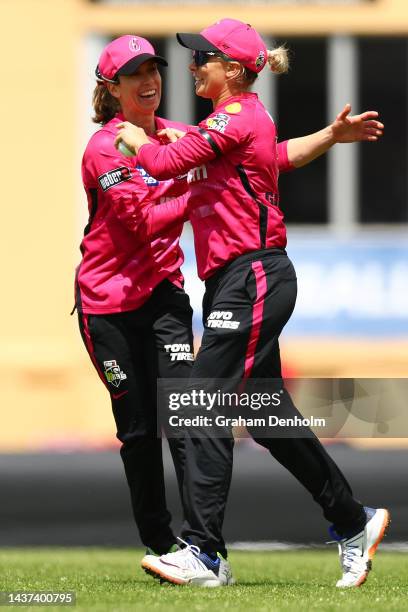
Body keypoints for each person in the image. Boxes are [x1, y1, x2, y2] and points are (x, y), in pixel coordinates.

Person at [115, 19, 389, 588]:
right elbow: (278, 157)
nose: (192, 67)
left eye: (203, 60)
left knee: (200, 401)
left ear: (232, 71)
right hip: (235, 281)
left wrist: (138, 137)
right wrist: (330, 137)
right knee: (267, 418)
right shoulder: (243, 121)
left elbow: (165, 164)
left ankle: (206, 554)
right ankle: (351, 519)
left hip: (254, 276)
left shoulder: (236, 115)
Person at [75, 35, 195, 557]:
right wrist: (201, 190)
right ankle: (160, 543)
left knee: (189, 420)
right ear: (112, 87)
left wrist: (327, 136)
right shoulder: (104, 148)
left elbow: (244, 150)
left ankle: (204, 544)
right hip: (108, 307)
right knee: (141, 431)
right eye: (134, 74)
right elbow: (142, 221)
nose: (149, 82)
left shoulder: (175, 136)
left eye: (153, 70)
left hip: (164, 295)